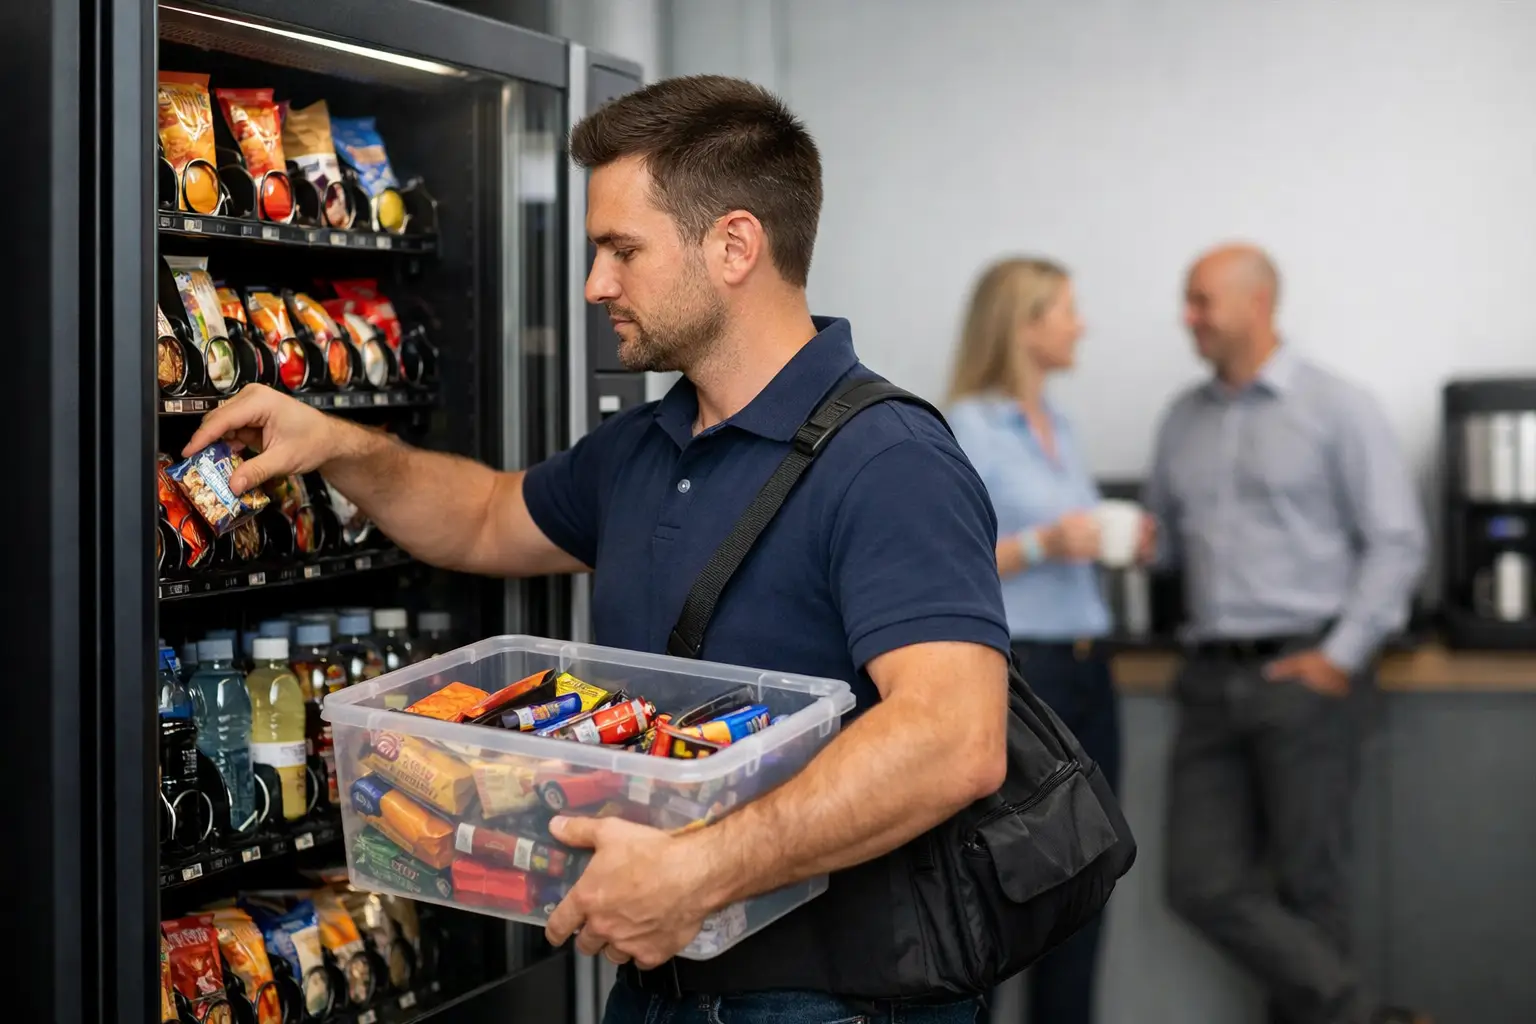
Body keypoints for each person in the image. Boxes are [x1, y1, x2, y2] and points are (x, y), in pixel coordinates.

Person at [184, 75, 1012, 1023]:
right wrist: (337, 444)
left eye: (623, 250)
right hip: (656, 983)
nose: (594, 285)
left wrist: (696, 871)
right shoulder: (648, 445)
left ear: (734, 245)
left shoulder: (888, 460)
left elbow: (956, 740)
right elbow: (488, 516)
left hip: (840, 1002)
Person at [1142, 243, 1431, 1024]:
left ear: (1258, 305)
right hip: (1206, 680)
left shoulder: (1340, 408)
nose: (1188, 318)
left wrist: (1339, 659)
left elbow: (1397, 541)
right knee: (1197, 884)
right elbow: (1169, 543)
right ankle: (1364, 1015)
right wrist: (1127, 541)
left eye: (1201, 301)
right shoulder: (1181, 419)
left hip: (1304, 675)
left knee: (1310, 888)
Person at [945, 257, 1120, 1024]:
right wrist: (1049, 543)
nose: (1081, 324)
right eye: (1067, 310)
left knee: (1089, 879)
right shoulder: (967, 429)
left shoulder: (1065, 427)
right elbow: (947, 561)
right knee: (1003, 885)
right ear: (1023, 324)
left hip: (1089, 668)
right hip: (1026, 675)